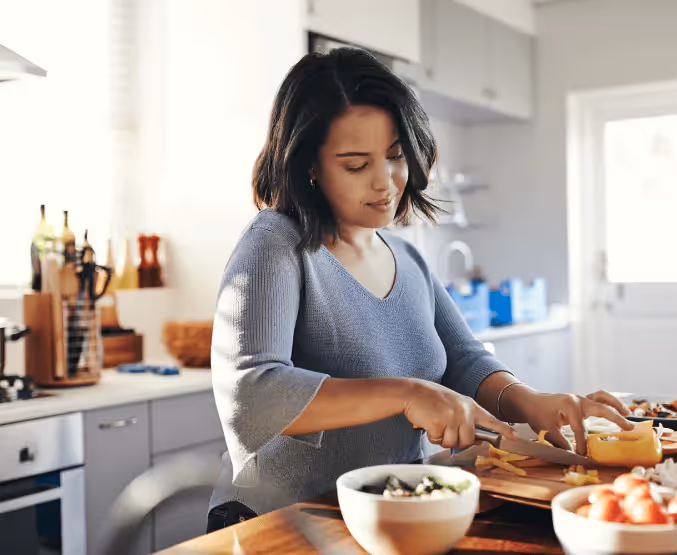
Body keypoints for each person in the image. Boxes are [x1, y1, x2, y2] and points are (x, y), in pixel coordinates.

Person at [206, 47, 632, 531]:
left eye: (395, 156)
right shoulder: (274, 244)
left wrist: (529, 402)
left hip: (384, 517)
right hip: (280, 522)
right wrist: (406, 393)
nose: (386, 182)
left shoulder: (405, 257)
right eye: (355, 165)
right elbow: (249, 392)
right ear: (309, 165)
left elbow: (465, 362)